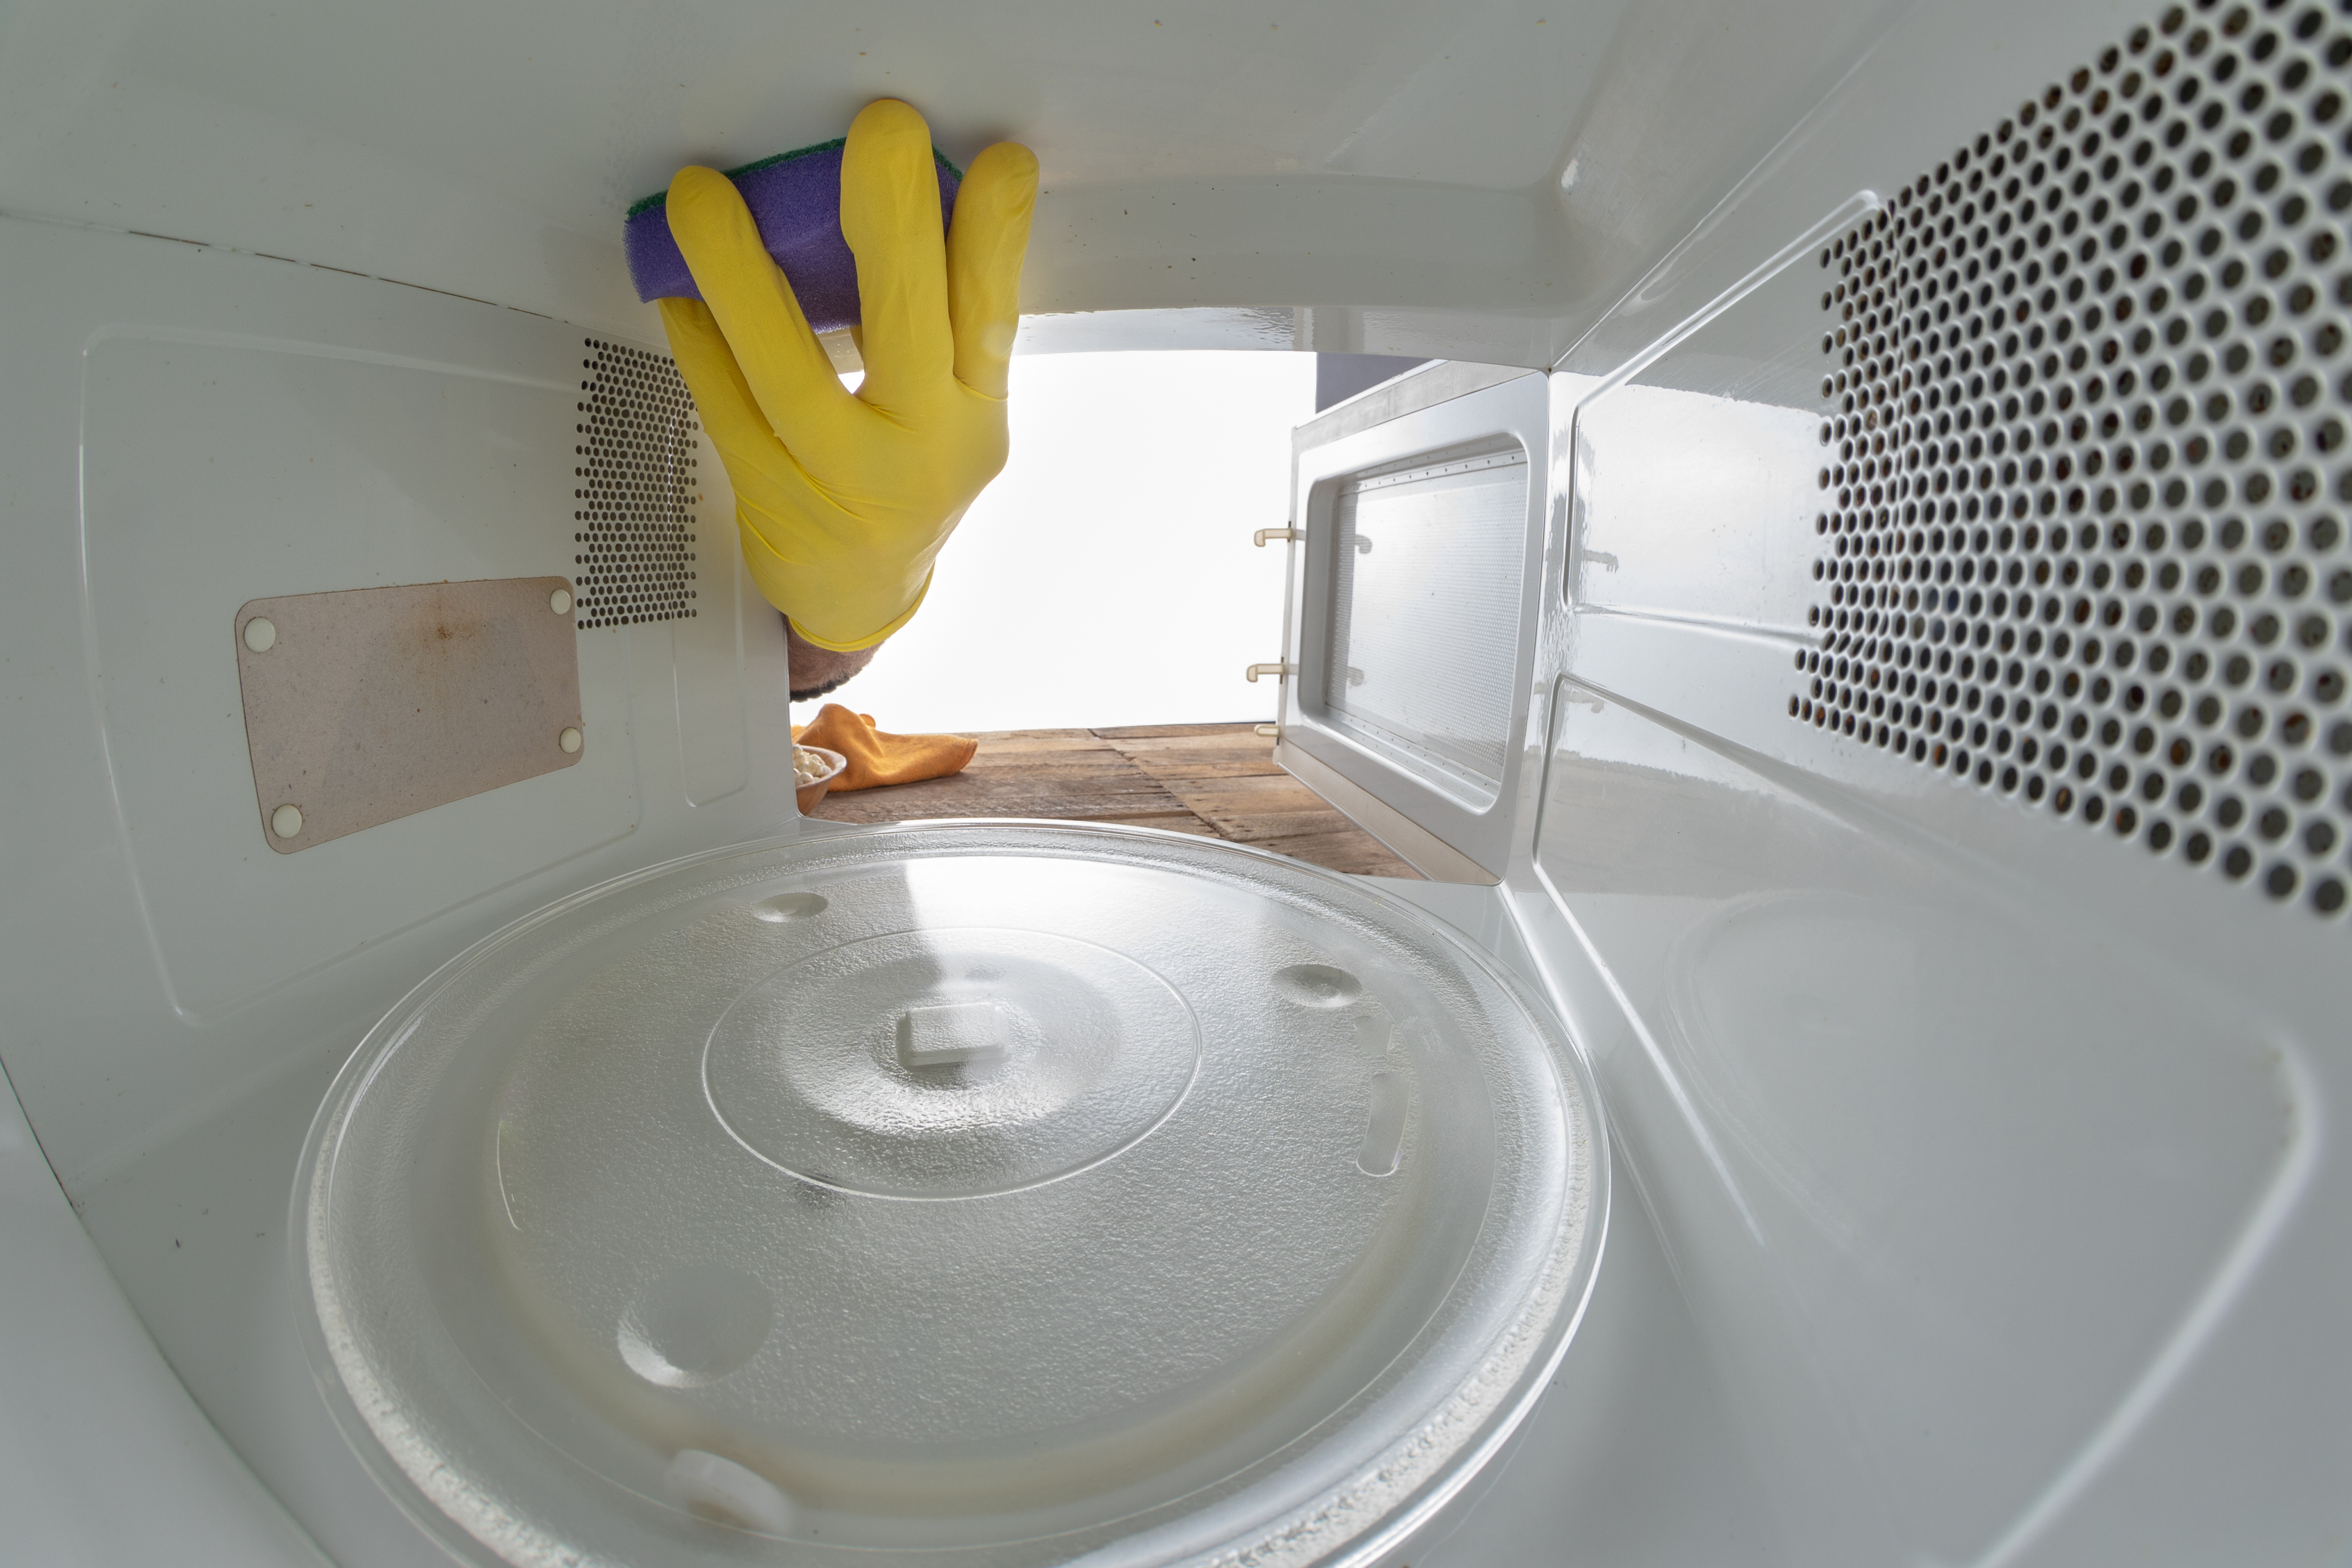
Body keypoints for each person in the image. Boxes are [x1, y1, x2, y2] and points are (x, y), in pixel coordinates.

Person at [654, 99, 1039, 701]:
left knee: (961, 278)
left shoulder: (896, 580)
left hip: (971, 451)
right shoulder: (801, 589)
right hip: (715, 135)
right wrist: (828, 636)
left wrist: (841, 636)